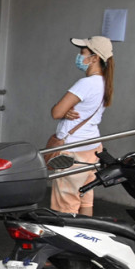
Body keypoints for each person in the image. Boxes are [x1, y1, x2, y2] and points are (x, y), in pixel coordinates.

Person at [50, 36, 114, 216]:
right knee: (85, 196)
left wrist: (64, 109)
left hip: (74, 150)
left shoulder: (85, 83)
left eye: (82, 52)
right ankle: (88, 237)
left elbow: (56, 112)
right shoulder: (104, 82)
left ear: (94, 58)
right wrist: (67, 109)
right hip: (92, 147)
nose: (79, 56)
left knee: (66, 203)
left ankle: (67, 240)